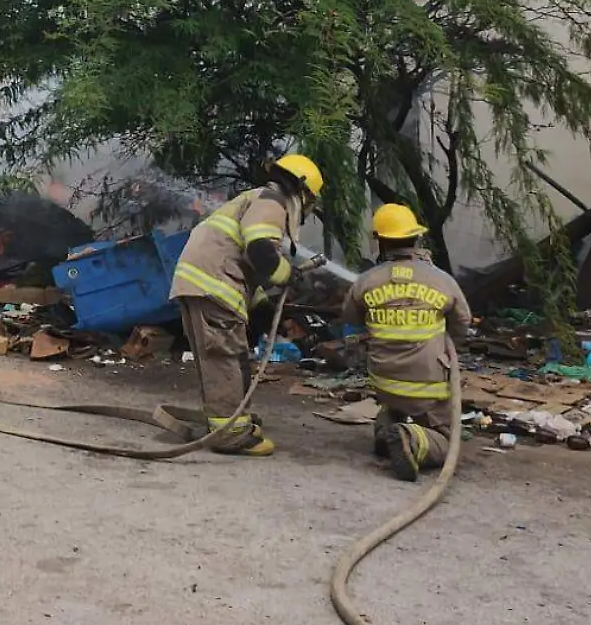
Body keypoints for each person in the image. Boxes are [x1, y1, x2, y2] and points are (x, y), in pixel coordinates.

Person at [167, 154, 324, 457]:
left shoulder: (256, 199)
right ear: (303, 193)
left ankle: (233, 419)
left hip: (210, 284)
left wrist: (263, 308)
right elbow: (260, 249)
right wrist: (286, 274)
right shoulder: (273, 202)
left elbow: (244, 264)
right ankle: (229, 434)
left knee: (233, 356)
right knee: (223, 359)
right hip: (213, 286)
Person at [341, 203, 472, 481]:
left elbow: (350, 317)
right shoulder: (442, 280)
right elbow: (463, 324)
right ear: (416, 238)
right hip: (427, 384)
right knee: (448, 440)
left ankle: (386, 430)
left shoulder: (366, 281)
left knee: (394, 405)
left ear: (380, 242)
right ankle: (411, 439)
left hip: (384, 381)